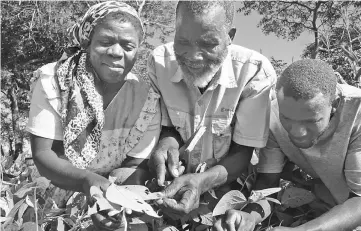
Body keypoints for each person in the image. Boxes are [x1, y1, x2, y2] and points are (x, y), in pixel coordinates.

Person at [27, 1, 161, 229]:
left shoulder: (146, 97)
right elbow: (44, 155)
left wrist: (115, 201)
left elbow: (135, 166)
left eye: (128, 46)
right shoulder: (53, 81)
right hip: (58, 190)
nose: (116, 52)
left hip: (118, 191)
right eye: (105, 42)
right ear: (87, 43)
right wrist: (88, 182)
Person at [147, 0, 277, 223]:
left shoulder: (254, 72)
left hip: (229, 191)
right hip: (173, 186)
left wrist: (201, 182)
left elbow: (243, 153)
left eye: (208, 44)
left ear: (230, 37)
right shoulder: (159, 63)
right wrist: (166, 148)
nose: (194, 56)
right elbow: (168, 127)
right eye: (183, 41)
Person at [214, 59, 361, 231]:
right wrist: (250, 216)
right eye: (287, 119)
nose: (297, 132)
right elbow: (269, 182)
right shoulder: (273, 116)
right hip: (333, 212)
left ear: (334, 104)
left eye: (311, 121)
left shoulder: (356, 112)